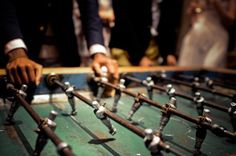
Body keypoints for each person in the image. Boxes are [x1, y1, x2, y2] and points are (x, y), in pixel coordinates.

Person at [0, 0, 118, 86]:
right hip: (23, 54)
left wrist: (99, 53)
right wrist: (16, 51)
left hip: (66, 54)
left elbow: (90, 11)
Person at [178, 0, 236, 68]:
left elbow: (230, 21)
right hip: (198, 32)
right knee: (188, 66)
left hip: (217, 35)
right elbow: (190, 12)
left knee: (210, 66)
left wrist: (216, 5)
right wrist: (193, 10)